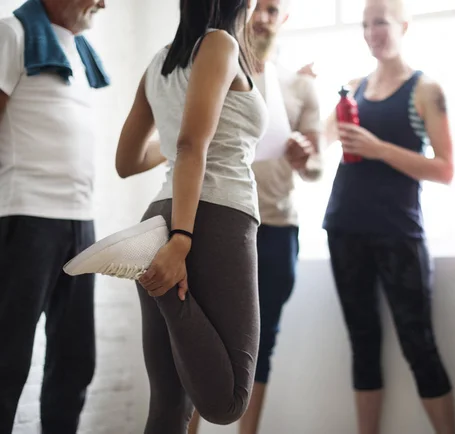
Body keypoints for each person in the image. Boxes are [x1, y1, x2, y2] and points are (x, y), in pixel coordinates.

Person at [111, 0, 267, 431]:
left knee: (168, 404)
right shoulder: (220, 44)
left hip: (161, 215)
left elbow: (127, 160)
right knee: (228, 402)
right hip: (212, 218)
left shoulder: (158, 63)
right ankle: (163, 289)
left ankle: (156, 276)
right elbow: (190, 146)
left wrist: (184, 133)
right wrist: (180, 240)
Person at [187, 1, 322, 433]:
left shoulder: (300, 86)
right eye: (257, 7)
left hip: (278, 227)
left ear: (284, 19)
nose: (263, 17)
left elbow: (317, 168)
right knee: (196, 338)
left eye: (273, 9)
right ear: (243, 13)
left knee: (261, 344)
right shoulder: (217, 64)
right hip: (222, 221)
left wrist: (305, 155)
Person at [322, 0, 455, 433]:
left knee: (419, 345)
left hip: (399, 234)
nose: (370, 32)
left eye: (379, 22)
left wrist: (376, 148)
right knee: (362, 345)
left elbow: (446, 169)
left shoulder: (425, 89)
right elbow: (314, 148)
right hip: (344, 228)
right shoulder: (352, 87)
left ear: (403, 25)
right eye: (364, 24)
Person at [0, 0, 109, 432]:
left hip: (80, 222)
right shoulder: (13, 33)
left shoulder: (80, 50)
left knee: (75, 361)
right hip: (26, 216)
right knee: (7, 362)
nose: (103, 3)